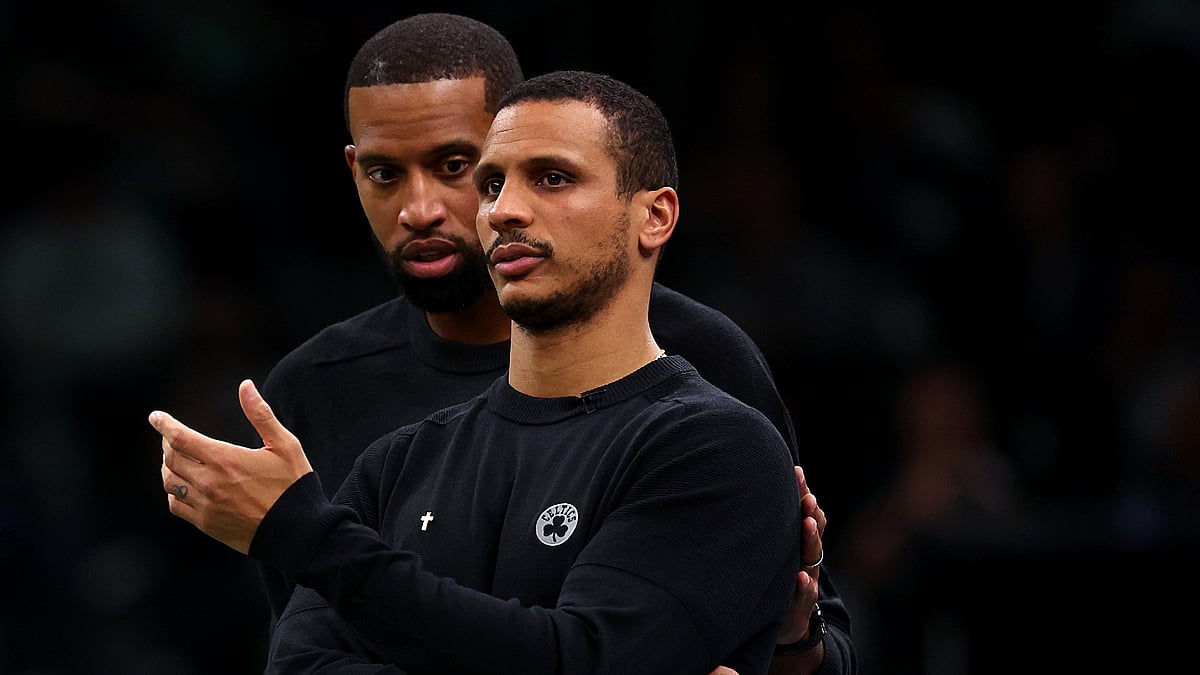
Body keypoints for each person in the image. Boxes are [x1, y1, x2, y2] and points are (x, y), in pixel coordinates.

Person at [251, 14, 853, 674]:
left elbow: (793, 631)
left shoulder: (707, 375)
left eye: (455, 167)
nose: (421, 209)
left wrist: (792, 643)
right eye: (385, 172)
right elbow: (301, 659)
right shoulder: (342, 411)